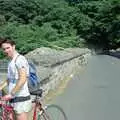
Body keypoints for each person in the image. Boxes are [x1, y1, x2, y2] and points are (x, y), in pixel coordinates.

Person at [0, 38, 32, 120]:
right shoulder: (11, 61)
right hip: (14, 99)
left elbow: (23, 79)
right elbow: (9, 79)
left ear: (13, 47)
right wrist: (0, 87)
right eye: (4, 49)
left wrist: (11, 94)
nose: (6, 51)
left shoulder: (20, 59)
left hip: (21, 98)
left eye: (8, 48)